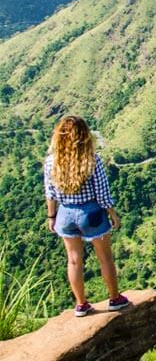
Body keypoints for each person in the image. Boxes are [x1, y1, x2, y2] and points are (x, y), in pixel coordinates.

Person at [44, 115, 129, 317]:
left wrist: (52, 217)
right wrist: (113, 214)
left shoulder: (50, 162)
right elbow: (102, 194)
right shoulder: (92, 160)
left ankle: (81, 304)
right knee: (105, 258)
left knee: (73, 261)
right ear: (84, 136)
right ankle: (115, 299)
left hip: (64, 213)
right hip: (91, 214)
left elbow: (50, 193)